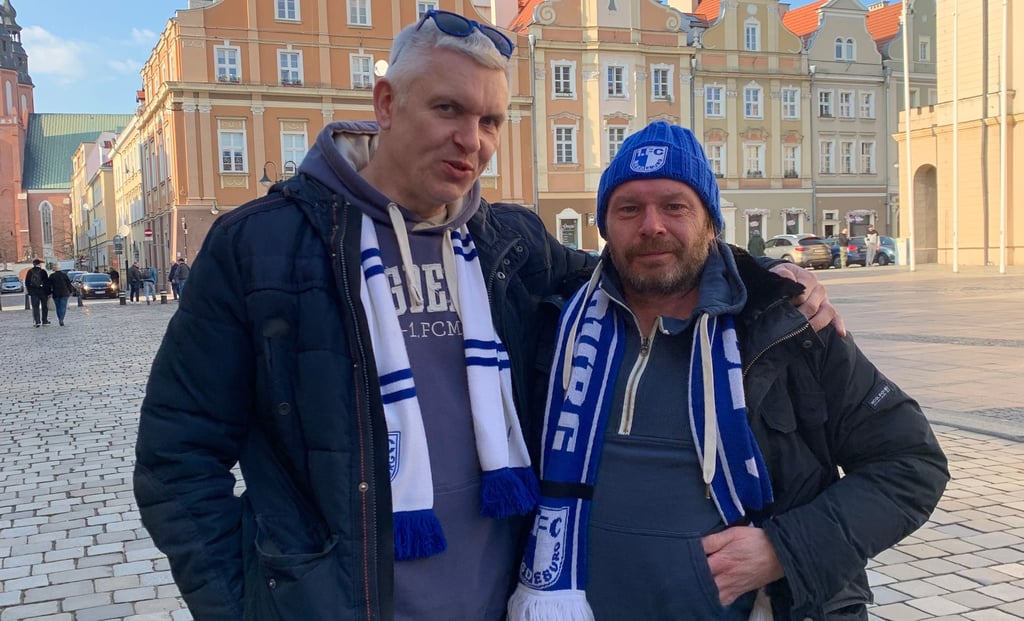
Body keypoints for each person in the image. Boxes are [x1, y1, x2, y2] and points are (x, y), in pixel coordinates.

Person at [134, 15, 840, 621]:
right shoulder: (264, 245)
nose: (470, 138)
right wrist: (248, 605)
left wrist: (767, 277)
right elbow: (177, 458)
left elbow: (641, 264)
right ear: (385, 103)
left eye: (490, 120)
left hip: (505, 601)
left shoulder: (510, 244)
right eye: (447, 109)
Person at [508, 122, 948, 621]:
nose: (651, 225)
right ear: (604, 227)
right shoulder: (556, 324)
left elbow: (911, 464)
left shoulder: (787, 325)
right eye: (629, 208)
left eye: (675, 206)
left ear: (711, 222)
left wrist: (786, 550)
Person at [25, 259, 50, 327]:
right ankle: (44, 320)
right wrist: (48, 292)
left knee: (35, 307)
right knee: (44, 306)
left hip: (34, 292)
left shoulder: (30, 272)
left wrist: (30, 291)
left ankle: (37, 321)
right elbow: (47, 282)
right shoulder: (43, 272)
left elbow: (27, 283)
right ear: (39, 264)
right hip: (43, 292)